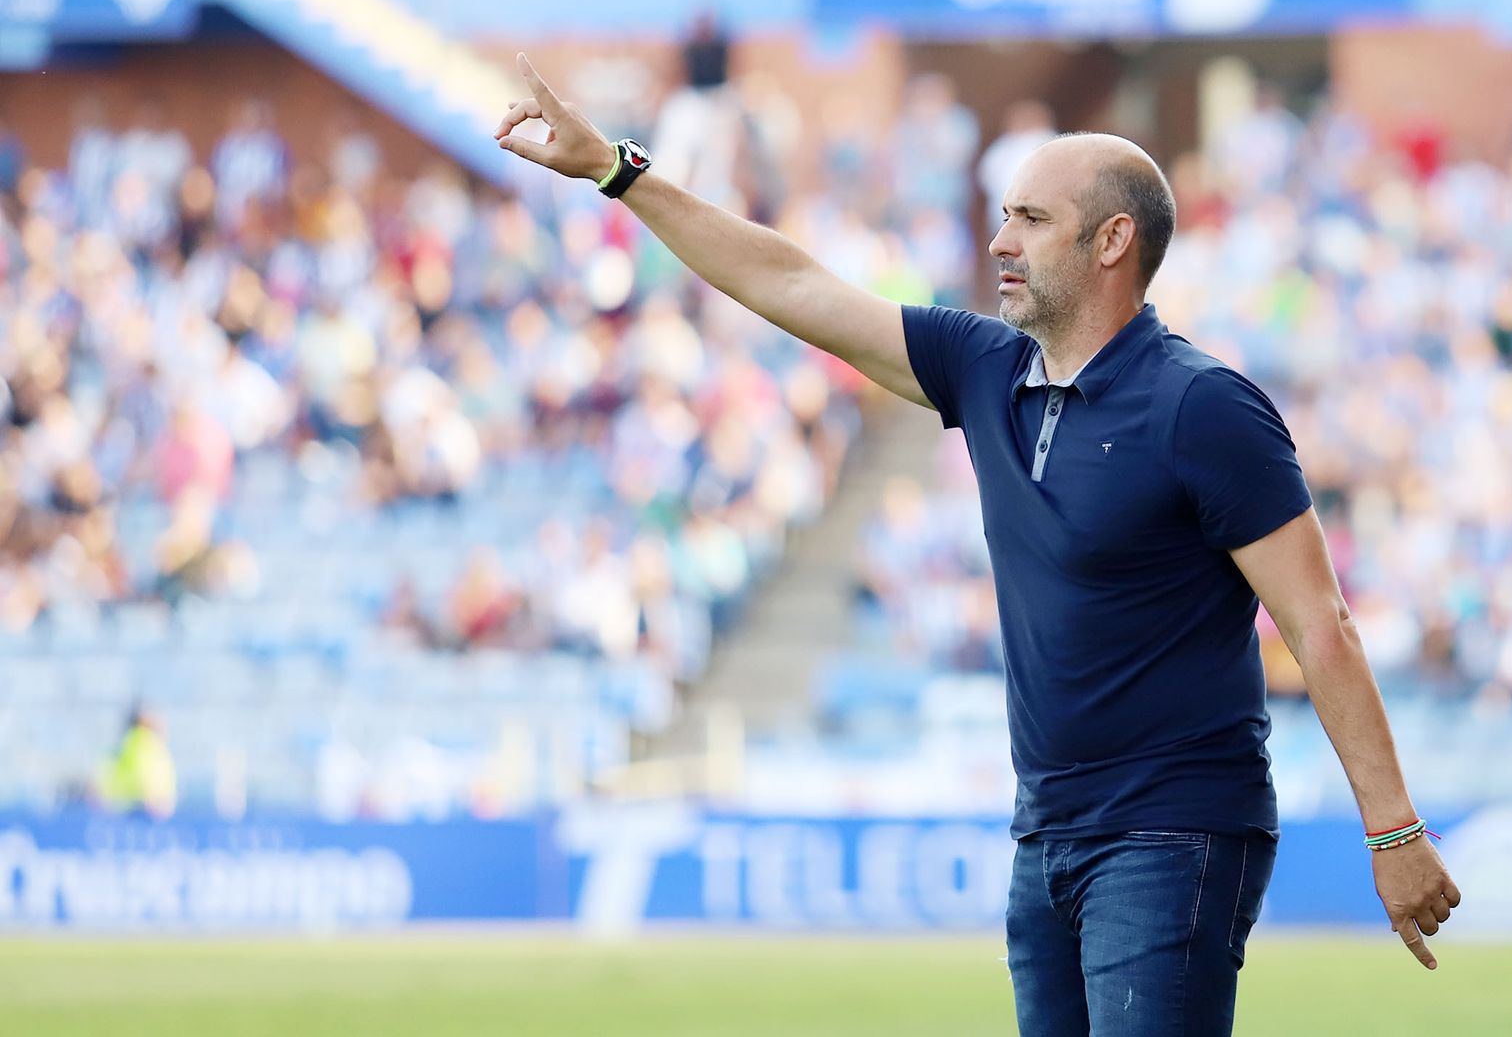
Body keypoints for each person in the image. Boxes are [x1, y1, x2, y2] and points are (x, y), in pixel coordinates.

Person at [494, 54, 1461, 1035]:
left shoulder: (1202, 407)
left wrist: (1394, 830)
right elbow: (788, 279)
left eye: (1030, 220)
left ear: (1112, 240)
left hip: (1175, 828)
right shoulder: (982, 367)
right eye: (1002, 215)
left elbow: (1320, 623)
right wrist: (619, 172)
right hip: (1045, 832)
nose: (999, 239)